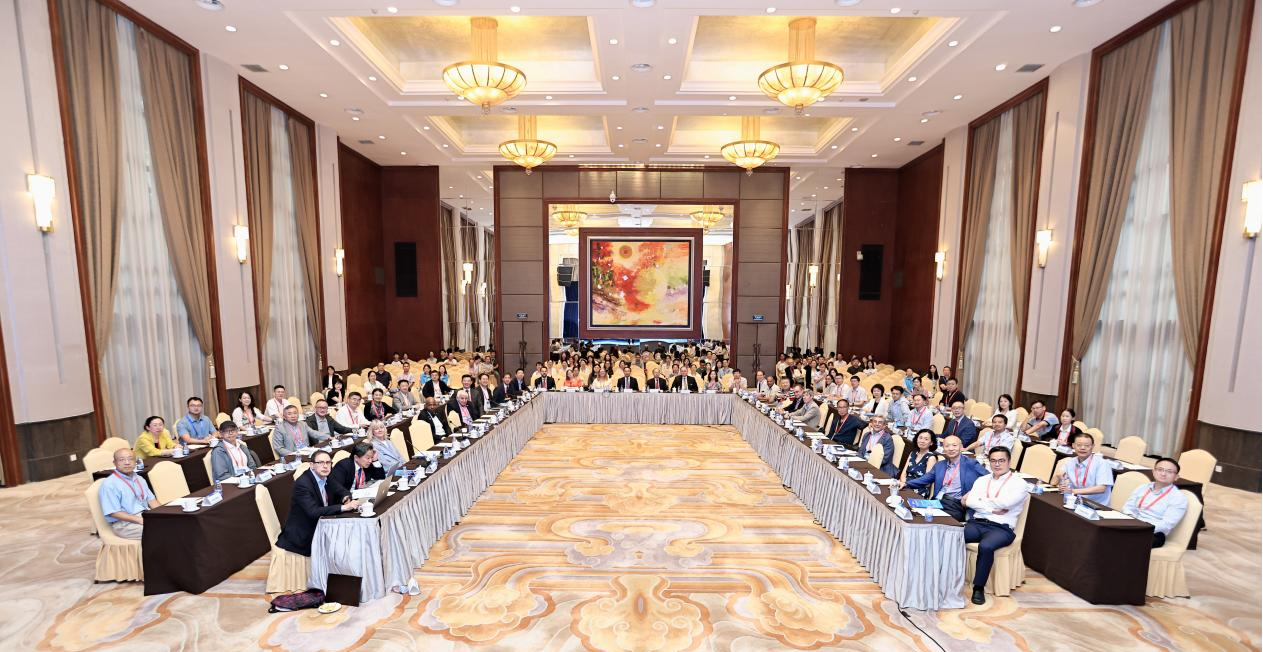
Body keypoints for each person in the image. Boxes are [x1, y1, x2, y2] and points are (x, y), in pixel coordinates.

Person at [963, 446, 1029, 605]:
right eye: (993, 461)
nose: (997, 464)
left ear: (1009, 462)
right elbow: (969, 501)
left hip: (1002, 528)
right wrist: (992, 508)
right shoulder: (982, 480)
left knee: (986, 547)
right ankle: (948, 577)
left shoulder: (1019, 483)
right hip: (977, 522)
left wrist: (981, 502)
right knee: (953, 536)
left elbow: (1006, 503)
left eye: (1001, 460)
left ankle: (978, 588)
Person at [276, 450, 361, 557]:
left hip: (323, 523)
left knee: (353, 535)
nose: (325, 466)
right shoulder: (303, 484)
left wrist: (346, 497)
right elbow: (313, 512)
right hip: (305, 533)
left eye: (328, 462)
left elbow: (341, 490)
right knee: (347, 540)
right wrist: (344, 507)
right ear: (312, 465)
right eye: (320, 463)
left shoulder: (326, 476)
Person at [900, 434, 986, 521]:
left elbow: (989, 478)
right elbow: (924, 479)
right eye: (947, 446)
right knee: (910, 511)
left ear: (961, 447)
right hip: (936, 502)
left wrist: (971, 493)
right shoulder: (940, 465)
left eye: (954, 445)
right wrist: (905, 484)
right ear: (943, 449)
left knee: (931, 520)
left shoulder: (971, 464)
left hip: (954, 505)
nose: (951, 448)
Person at [1122, 457, 1190, 548]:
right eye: (1160, 469)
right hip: (1131, 525)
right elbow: (1128, 507)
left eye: (1169, 471)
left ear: (1176, 477)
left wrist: (1140, 527)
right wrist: (1130, 521)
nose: (1163, 474)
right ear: (1153, 472)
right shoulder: (1142, 487)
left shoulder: (1178, 498)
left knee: (1125, 542)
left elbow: (1166, 524)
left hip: (1153, 532)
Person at [98, 448, 159, 540]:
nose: (127, 462)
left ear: (135, 462)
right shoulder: (109, 484)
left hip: (145, 515)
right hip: (125, 523)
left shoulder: (140, 479)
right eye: (122, 460)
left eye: (131, 459)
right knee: (162, 529)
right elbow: (114, 513)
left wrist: (164, 515)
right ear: (114, 463)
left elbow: (152, 501)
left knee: (174, 523)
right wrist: (140, 520)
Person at [1051, 431, 1115, 505]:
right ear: (1073, 446)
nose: (1082, 448)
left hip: (1096, 506)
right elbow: (1053, 483)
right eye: (1079, 445)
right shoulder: (1070, 462)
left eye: (1087, 445)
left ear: (1092, 446)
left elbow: (1101, 488)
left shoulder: (1102, 463)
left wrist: (1073, 491)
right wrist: (1058, 476)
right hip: (1075, 501)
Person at [900, 429, 939, 495]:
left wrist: (907, 485)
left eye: (926, 439)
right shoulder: (913, 453)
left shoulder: (931, 458)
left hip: (919, 490)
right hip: (904, 485)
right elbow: (903, 473)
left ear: (931, 443)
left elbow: (927, 483)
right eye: (920, 438)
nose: (922, 441)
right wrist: (903, 483)